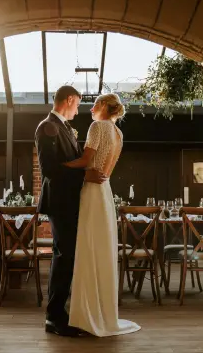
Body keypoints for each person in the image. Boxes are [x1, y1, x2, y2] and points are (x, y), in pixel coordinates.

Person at [65, 93, 141, 337]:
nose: (92, 106)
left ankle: (87, 316)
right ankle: (103, 313)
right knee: (102, 249)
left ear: (105, 107)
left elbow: (87, 160)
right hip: (105, 190)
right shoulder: (118, 133)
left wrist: (60, 166)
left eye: (96, 102)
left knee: (89, 248)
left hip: (91, 190)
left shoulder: (97, 126)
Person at [34, 85, 106, 337]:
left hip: (70, 201)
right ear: (69, 99)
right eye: (77, 104)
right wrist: (85, 174)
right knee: (64, 257)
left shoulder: (63, 127)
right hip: (60, 202)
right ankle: (54, 317)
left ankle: (65, 312)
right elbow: (49, 171)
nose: (78, 109)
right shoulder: (48, 127)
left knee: (68, 257)